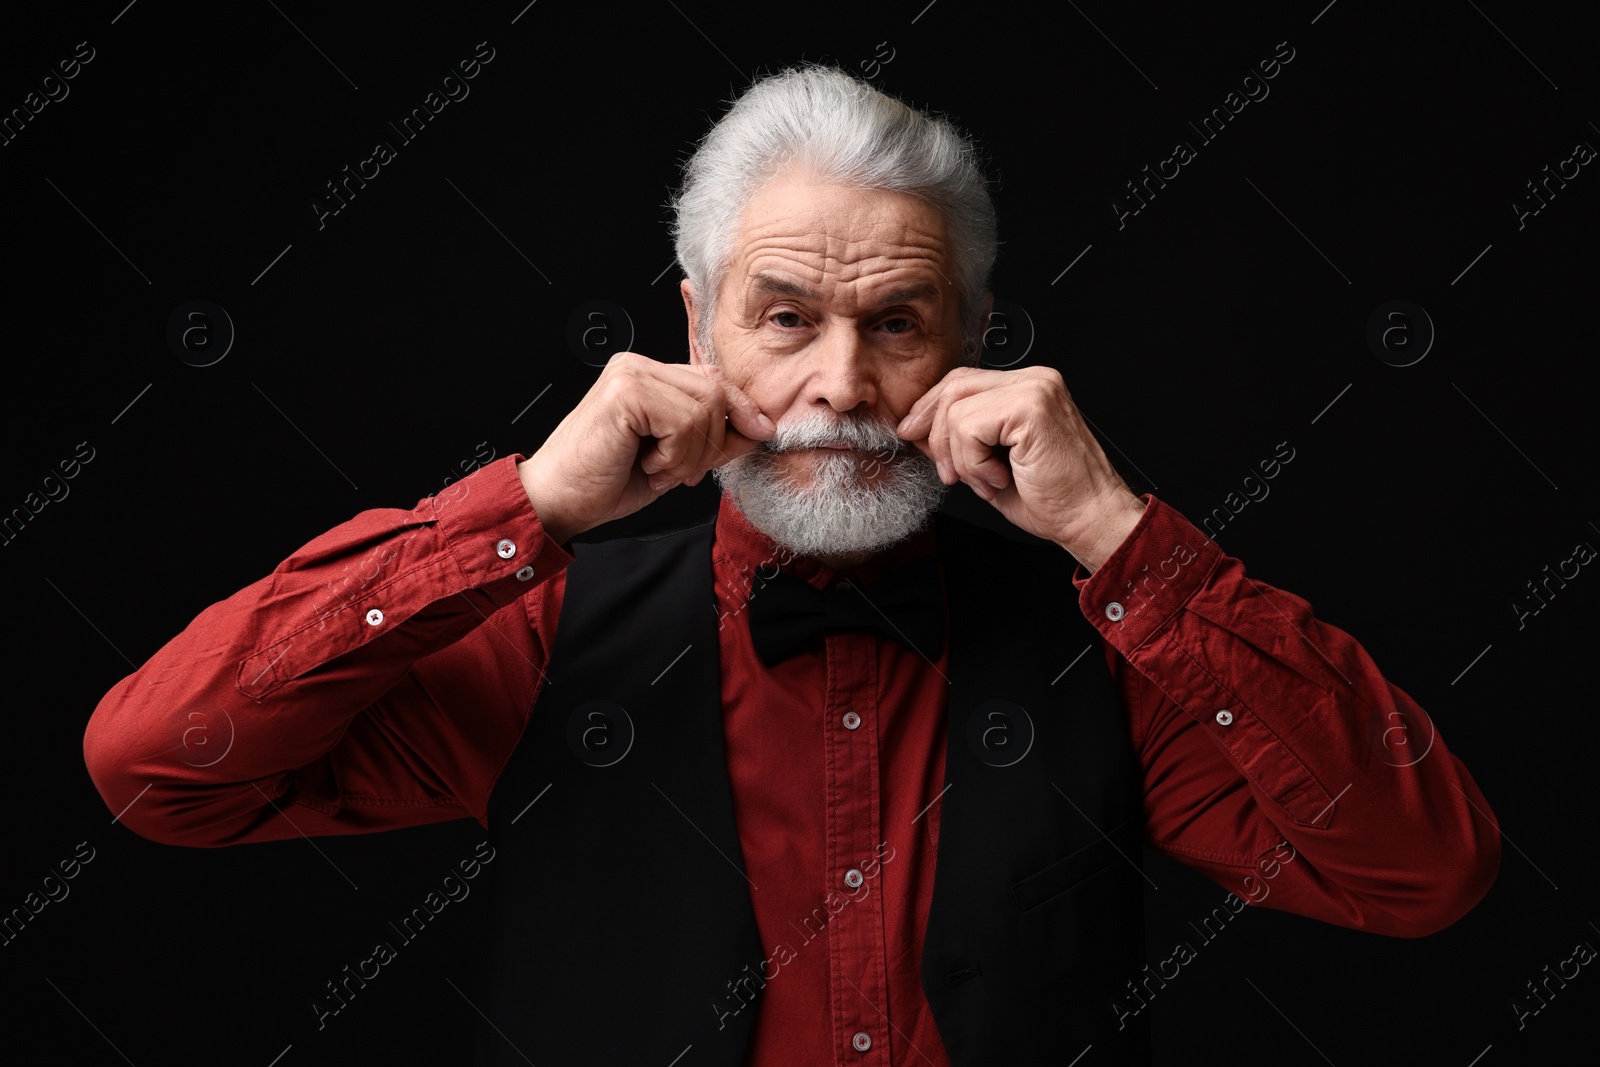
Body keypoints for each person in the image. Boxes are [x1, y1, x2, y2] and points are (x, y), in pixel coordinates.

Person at [83, 64, 1499, 1066]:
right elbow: (159, 768)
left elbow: (1422, 874)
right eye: (783, 316)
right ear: (698, 328)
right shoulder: (545, 626)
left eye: (897, 321)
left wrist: (1125, 540)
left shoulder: (1108, 653)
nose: (841, 383)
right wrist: (524, 507)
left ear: (973, 342)